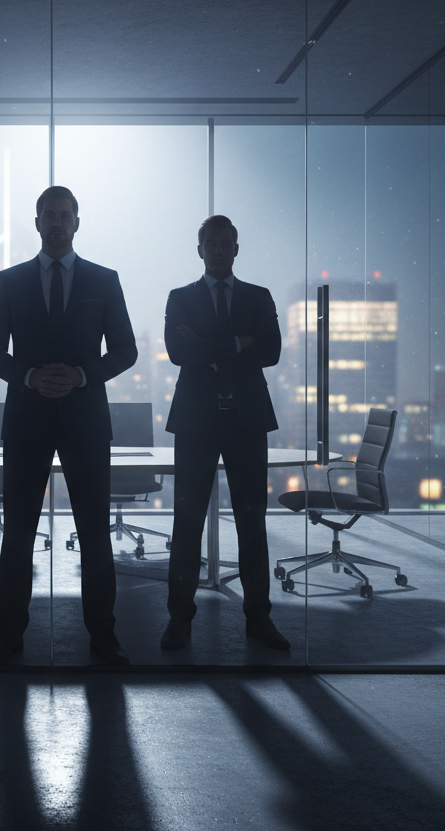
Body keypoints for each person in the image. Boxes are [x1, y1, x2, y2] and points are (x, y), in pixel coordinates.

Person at [0, 186, 138, 665]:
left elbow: (126, 350)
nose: (57, 222)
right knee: (19, 532)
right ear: (37, 222)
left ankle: (103, 637)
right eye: (49, 215)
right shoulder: (10, 280)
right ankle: (8, 636)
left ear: (77, 222)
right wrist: (28, 376)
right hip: (27, 418)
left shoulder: (104, 280)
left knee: (94, 533)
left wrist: (82, 376)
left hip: (85, 420)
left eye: (65, 215)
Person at [161, 215, 290, 651]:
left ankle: (259, 619)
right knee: (187, 522)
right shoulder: (180, 297)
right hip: (196, 423)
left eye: (225, 243)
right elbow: (179, 352)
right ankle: (179, 618)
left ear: (237, 249)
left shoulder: (258, 296)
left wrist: (208, 346)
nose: (218, 250)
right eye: (210, 243)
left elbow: (270, 351)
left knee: (252, 522)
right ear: (199, 250)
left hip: (246, 421)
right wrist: (239, 343)